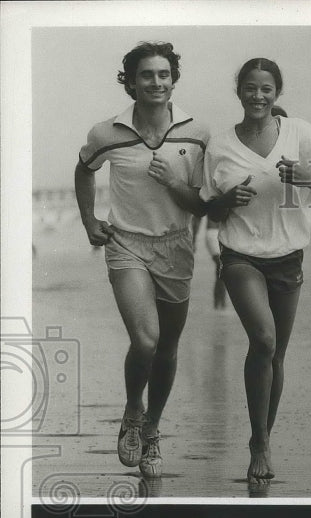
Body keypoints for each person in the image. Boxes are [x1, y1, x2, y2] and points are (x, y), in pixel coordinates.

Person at [200, 58, 311, 488]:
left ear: (276, 93)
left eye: (266, 88)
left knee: (276, 353)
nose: (258, 95)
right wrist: (227, 198)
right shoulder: (221, 145)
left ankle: (261, 437)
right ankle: (260, 446)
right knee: (262, 338)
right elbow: (206, 206)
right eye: (250, 87)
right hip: (240, 254)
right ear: (239, 91)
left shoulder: (299, 132)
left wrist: (308, 176)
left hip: (287, 256)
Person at [75, 42, 208, 480]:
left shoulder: (197, 133)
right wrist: (88, 220)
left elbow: (202, 202)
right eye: (147, 75)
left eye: (164, 74)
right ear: (131, 82)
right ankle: (134, 411)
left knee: (167, 348)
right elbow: (84, 169)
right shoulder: (106, 132)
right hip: (126, 244)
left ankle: (152, 429)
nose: (156, 82)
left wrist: (173, 183)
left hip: (176, 246)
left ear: (174, 79)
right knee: (147, 340)